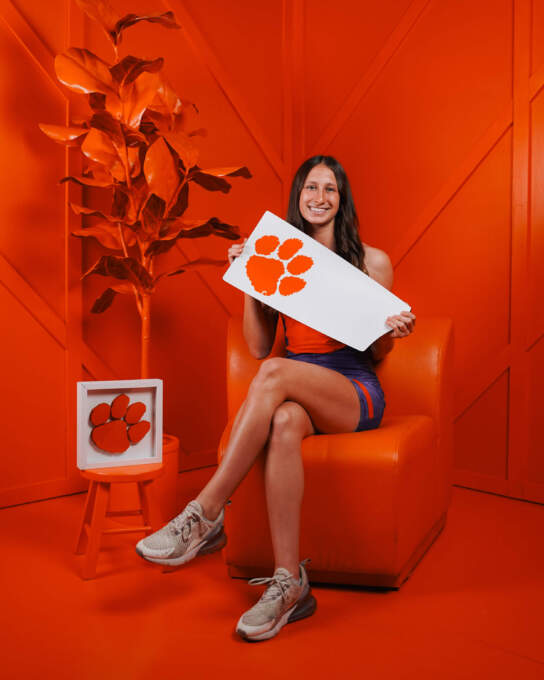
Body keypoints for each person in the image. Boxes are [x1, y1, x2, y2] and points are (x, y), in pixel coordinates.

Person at [136, 155, 416, 642]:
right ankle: (290, 583)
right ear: (298, 196)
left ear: (342, 199)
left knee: (273, 374)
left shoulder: (372, 262)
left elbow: (375, 351)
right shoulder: (281, 254)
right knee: (283, 422)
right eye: (311, 188)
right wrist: (248, 281)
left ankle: (204, 514)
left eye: (330, 189)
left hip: (351, 390)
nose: (320, 197)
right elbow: (260, 347)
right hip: (294, 387)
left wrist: (392, 331)